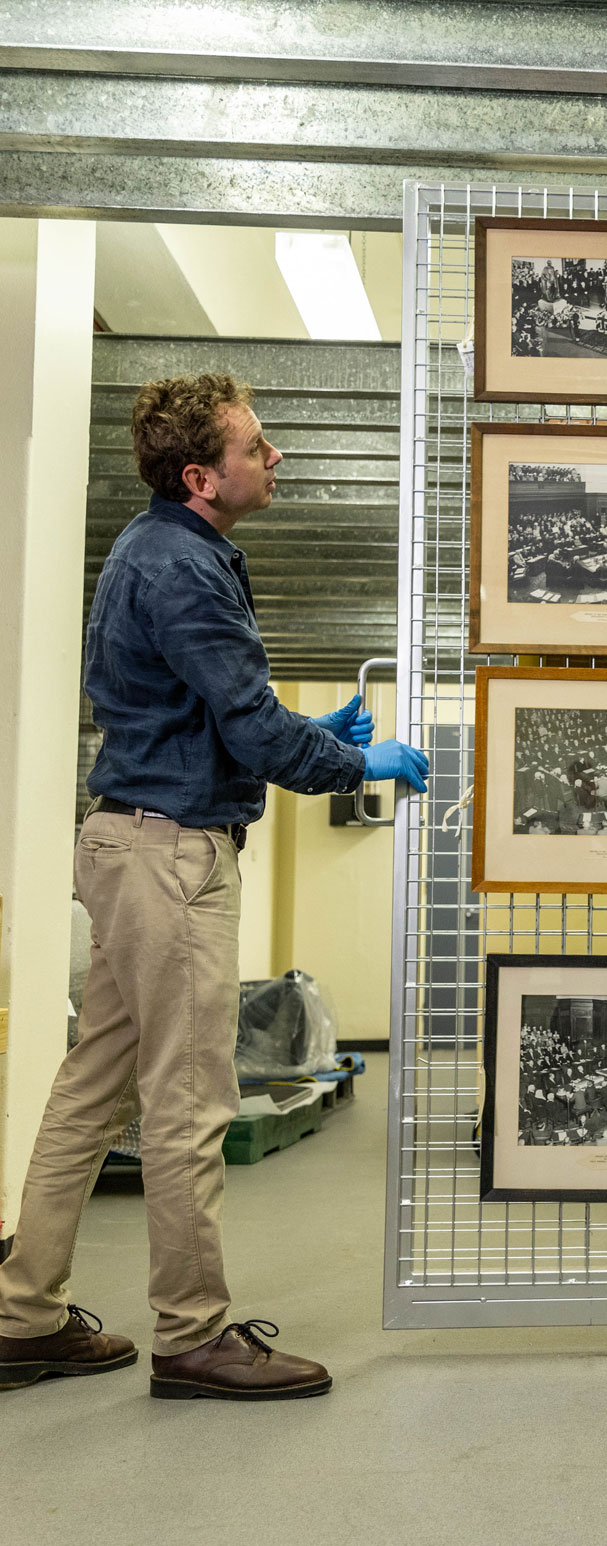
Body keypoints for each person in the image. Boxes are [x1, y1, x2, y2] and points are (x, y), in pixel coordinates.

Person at [0, 374, 429, 1402]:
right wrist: (351, 765)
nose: (275, 457)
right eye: (258, 445)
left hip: (125, 842)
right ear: (202, 475)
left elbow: (197, 712)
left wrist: (316, 735)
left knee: (92, 1086)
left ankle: (22, 1316)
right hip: (170, 859)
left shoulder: (158, 551)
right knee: (190, 1102)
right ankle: (193, 1336)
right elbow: (244, 724)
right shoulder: (185, 567)